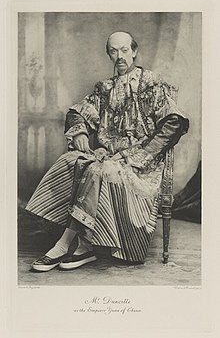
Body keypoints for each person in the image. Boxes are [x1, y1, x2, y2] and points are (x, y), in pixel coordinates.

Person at [26, 31, 189, 272]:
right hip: (108, 156)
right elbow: (77, 112)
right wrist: (80, 131)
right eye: (114, 51)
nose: (120, 56)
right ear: (109, 55)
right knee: (71, 160)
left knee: (98, 170)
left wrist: (139, 156)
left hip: (140, 165)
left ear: (134, 51)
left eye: (125, 50)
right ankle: (84, 246)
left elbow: (173, 121)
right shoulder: (104, 89)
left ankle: (64, 245)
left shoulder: (152, 84)